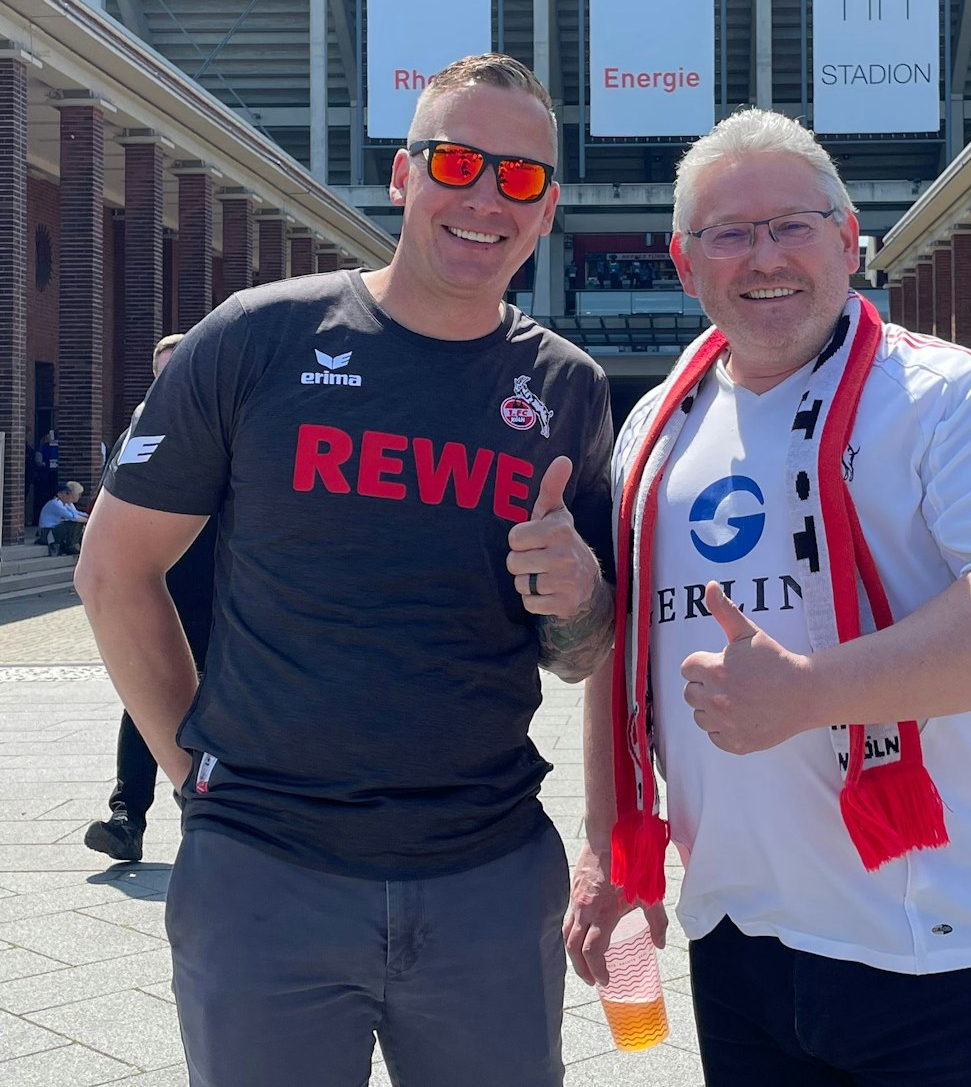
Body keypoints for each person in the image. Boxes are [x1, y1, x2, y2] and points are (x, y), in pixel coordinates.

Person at [76, 53, 616, 1087]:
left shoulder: (565, 388)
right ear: (403, 175)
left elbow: (580, 655)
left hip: (488, 876)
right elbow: (114, 571)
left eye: (519, 177)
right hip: (266, 878)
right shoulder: (258, 339)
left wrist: (581, 596)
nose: (484, 197)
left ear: (546, 210)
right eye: (457, 161)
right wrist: (192, 776)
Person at [568, 109, 971, 1087]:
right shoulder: (651, 433)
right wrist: (607, 850)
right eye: (729, 232)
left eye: (791, 225)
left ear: (847, 240)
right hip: (736, 930)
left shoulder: (947, 396)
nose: (764, 256)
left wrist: (807, 691)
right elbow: (621, 658)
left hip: (933, 941)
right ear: (684, 262)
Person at [83, 333, 217, 865]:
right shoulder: (139, 432)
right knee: (144, 695)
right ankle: (126, 818)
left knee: (219, 698)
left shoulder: (231, 429)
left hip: (223, 585)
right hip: (156, 586)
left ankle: (208, 814)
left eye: (177, 373)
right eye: (161, 375)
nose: (168, 386)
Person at [37, 481, 89, 555]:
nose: (69, 496)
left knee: (77, 523)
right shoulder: (55, 504)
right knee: (72, 524)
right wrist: (90, 521)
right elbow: (73, 518)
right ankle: (70, 546)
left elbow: (77, 514)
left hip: (53, 531)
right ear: (59, 494)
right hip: (47, 533)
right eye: (67, 493)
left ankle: (75, 544)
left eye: (70, 493)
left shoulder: (66, 504)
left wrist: (89, 517)